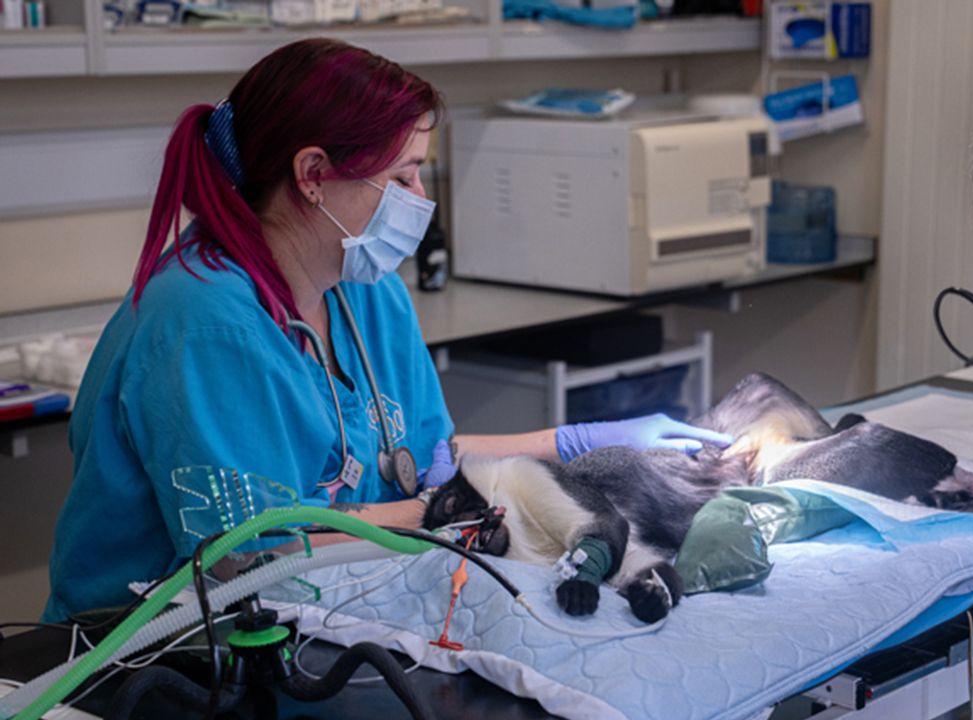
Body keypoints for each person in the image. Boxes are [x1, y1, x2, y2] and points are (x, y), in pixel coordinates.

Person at [45, 38, 729, 623]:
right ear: (313, 175)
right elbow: (251, 556)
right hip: (157, 662)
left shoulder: (365, 292)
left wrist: (573, 444)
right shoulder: (203, 323)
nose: (421, 199)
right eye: (402, 175)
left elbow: (415, 457)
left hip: (342, 613)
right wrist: (450, 513)